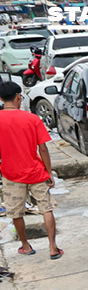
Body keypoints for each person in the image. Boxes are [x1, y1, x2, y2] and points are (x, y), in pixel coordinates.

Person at [0, 81, 61, 260]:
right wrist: (49, 172)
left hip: (11, 174)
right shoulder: (32, 118)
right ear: (19, 97)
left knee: (16, 212)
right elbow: (43, 149)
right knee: (46, 208)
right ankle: (53, 247)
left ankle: (25, 246)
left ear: (1, 99)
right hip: (36, 172)